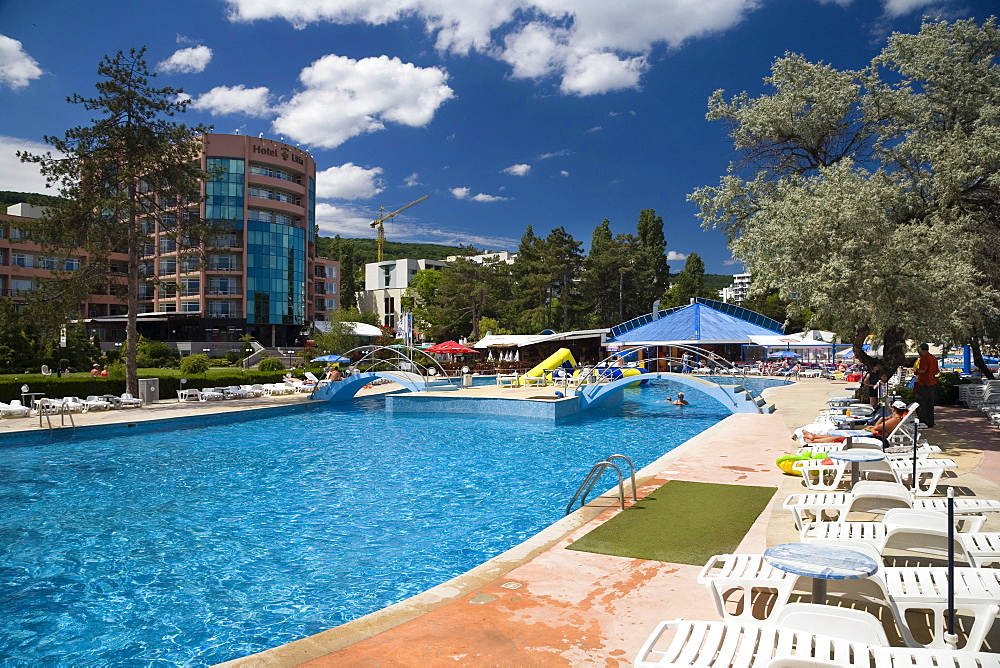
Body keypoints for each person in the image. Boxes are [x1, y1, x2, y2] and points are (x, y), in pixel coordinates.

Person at [802, 401, 907, 444]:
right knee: (842, 435)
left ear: (894, 409)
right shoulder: (896, 419)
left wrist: (880, 420)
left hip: (875, 438)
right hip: (872, 434)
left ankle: (815, 440)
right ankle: (815, 436)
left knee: (843, 437)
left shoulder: (894, 419)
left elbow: (877, 428)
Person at [913, 343, 939, 428]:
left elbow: (922, 370)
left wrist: (916, 370)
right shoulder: (934, 358)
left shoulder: (924, 358)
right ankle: (930, 422)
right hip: (932, 382)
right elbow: (936, 371)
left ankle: (923, 421)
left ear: (921, 349)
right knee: (929, 403)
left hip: (924, 383)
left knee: (919, 402)